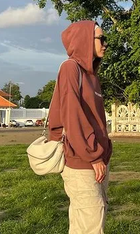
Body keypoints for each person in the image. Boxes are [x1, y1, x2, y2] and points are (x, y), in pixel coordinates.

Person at [48, 20, 112, 234]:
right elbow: (72, 116)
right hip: (81, 160)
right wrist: (93, 155)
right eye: (101, 39)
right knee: (91, 223)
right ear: (85, 40)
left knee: (86, 222)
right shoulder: (70, 68)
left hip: (95, 159)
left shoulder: (91, 75)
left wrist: (102, 154)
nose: (105, 44)